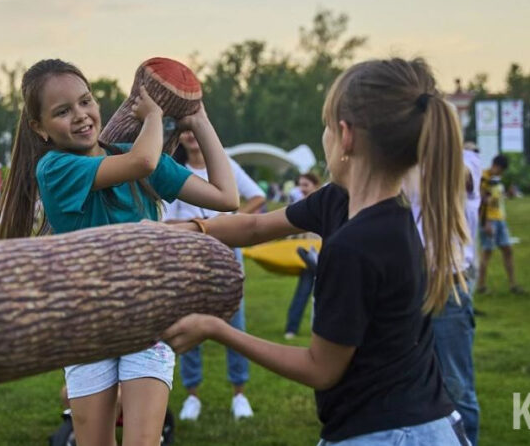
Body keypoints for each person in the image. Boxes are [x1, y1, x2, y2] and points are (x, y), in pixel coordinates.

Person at [162, 58, 471, 445]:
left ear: (345, 136)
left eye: (326, 125)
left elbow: (319, 368)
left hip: (390, 434)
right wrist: (187, 229)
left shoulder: (355, 247)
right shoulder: (340, 202)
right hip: (418, 424)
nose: (324, 135)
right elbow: (256, 226)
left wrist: (216, 329)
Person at [0, 59, 238, 446]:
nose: (80, 116)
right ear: (39, 128)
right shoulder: (55, 168)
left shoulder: (135, 153)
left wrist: (200, 122)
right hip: (86, 327)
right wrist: (155, 117)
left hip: (149, 316)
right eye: (62, 111)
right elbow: (141, 161)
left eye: (85, 101)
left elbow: (227, 197)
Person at [164, 130, 265, 421]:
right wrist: (202, 225)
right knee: (188, 321)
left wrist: (228, 223)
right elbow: (166, 217)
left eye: (194, 128)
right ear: (178, 135)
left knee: (236, 321)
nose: (190, 135)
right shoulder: (176, 170)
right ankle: (192, 395)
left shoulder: (224, 164)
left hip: (227, 251)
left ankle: (239, 393)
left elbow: (257, 196)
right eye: (184, 130)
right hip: (191, 254)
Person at [404, 145, 483, 446]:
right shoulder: (406, 162)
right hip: (407, 282)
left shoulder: (467, 161)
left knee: (455, 385)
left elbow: (451, 176)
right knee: (409, 381)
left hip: (448, 286)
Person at [477, 154, 524, 294]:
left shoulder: (497, 179)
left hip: (500, 218)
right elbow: (481, 201)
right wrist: (485, 222)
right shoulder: (483, 178)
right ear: (496, 166)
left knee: (508, 250)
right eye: (501, 170)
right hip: (488, 220)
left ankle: (513, 284)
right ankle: (481, 286)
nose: (501, 173)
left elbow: (497, 198)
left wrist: (509, 194)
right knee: (487, 252)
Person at [284, 172, 322, 340]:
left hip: (322, 255)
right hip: (306, 256)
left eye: (306, 184)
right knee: (303, 293)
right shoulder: (298, 205)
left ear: (315, 185)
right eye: (300, 185)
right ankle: (292, 328)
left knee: (319, 295)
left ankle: (319, 331)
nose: (302, 188)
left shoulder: (324, 203)